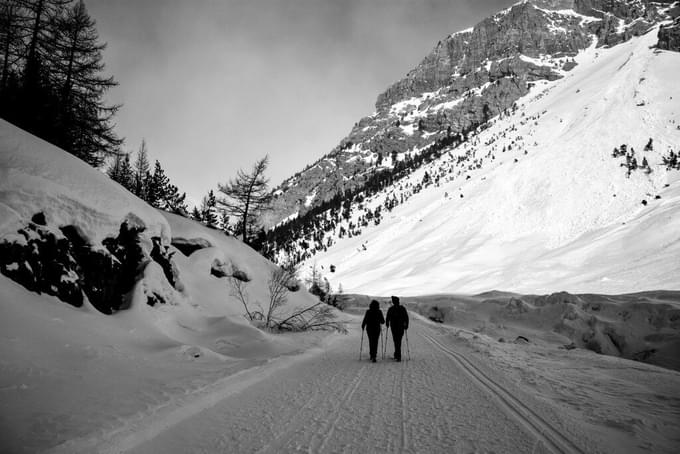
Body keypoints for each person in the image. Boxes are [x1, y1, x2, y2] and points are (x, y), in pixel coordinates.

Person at [386, 295, 409, 361]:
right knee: (398, 341)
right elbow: (406, 317)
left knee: (396, 341)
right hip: (401, 327)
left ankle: (397, 355)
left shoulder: (391, 309)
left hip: (394, 327)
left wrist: (387, 323)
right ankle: (397, 354)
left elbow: (388, 317)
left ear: (393, 302)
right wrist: (406, 325)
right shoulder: (402, 308)